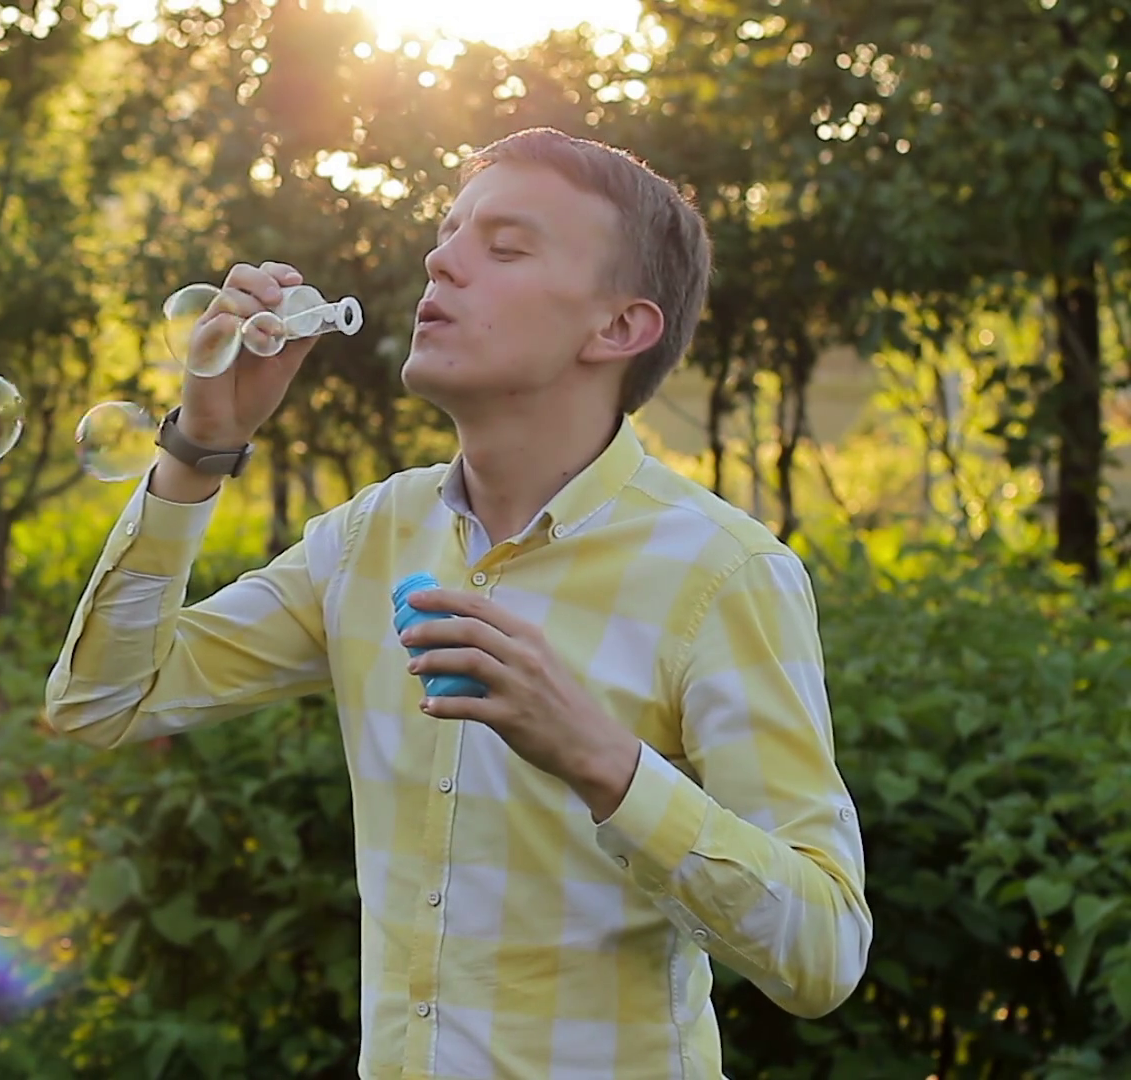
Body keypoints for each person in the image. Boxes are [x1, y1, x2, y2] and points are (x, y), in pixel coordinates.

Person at [43, 127, 871, 1080]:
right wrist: (200, 446)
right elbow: (103, 702)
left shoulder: (722, 573)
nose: (440, 262)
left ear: (618, 329)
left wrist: (602, 761)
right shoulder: (371, 537)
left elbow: (825, 952)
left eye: (505, 247)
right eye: (447, 237)